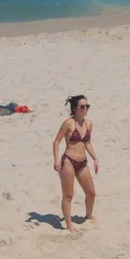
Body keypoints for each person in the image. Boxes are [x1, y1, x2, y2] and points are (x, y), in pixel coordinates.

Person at [52, 95, 99, 233]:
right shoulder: (68, 123)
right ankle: (69, 225)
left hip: (83, 162)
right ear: (75, 108)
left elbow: (87, 143)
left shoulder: (89, 123)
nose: (85, 109)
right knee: (68, 195)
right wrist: (56, 160)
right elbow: (56, 141)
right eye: (82, 106)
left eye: (87, 106)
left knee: (91, 193)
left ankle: (88, 215)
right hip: (68, 162)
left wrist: (95, 158)